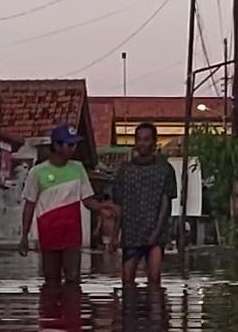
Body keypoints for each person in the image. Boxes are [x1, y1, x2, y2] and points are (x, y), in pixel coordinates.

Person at [19, 125, 93, 281]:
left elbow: (87, 199)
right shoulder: (37, 172)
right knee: (51, 279)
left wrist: (103, 208)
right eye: (70, 145)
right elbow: (29, 205)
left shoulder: (78, 168)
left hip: (72, 235)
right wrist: (24, 236)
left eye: (75, 144)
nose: (74, 149)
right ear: (57, 145)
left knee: (73, 279)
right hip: (49, 234)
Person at [107, 121, 178, 284]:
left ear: (154, 142)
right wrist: (114, 236)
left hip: (156, 233)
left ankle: (156, 308)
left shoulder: (165, 170)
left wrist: (157, 231)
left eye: (146, 139)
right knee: (127, 280)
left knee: (154, 280)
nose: (142, 143)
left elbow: (166, 204)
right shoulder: (125, 171)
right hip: (131, 233)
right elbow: (119, 205)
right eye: (139, 139)